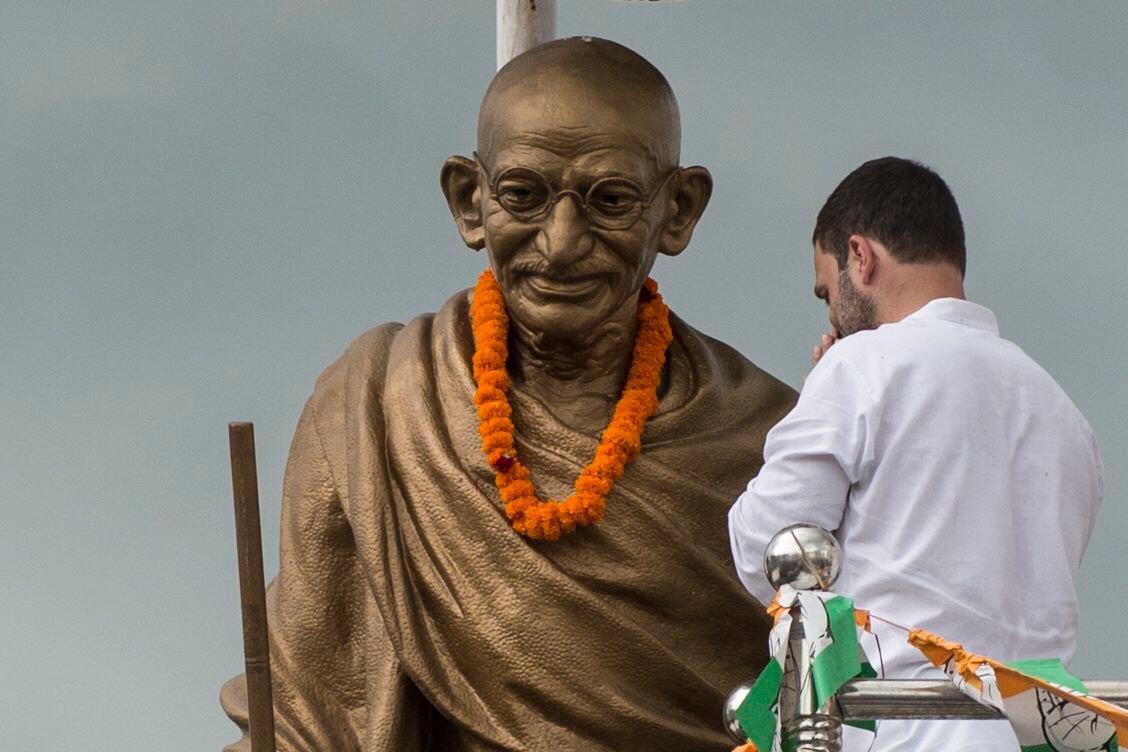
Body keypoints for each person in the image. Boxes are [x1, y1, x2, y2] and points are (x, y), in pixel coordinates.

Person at [221, 38, 797, 751]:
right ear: (470, 200)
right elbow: (313, 710)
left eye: (609, 200)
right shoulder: (380, 406)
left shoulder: (771, 443)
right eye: (523, 195)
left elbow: (832, 704)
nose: (559, 243)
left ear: (678, 210)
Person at [728, 157, 1103, 751]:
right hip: (1038, 739)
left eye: (827, 291)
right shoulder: (1066, 418)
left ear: (860, 256)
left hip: (898, 727)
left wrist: (819, 394)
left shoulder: (861, 368)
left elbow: (767, 552)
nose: (829, 314)